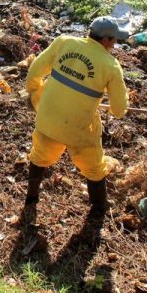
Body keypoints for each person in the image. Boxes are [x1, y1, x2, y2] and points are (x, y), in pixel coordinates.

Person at [23, 16, 129, 221]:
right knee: (94, 167)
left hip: (47, 118)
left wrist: (34, 92)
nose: (115, 45)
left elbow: (36, 70)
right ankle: (99, 209)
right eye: (115, 40)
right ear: (107, 40)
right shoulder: (111, 65)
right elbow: (118, 110)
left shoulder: (65, 42)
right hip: (78, 129)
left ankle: (31, 199)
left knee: (39, 156)